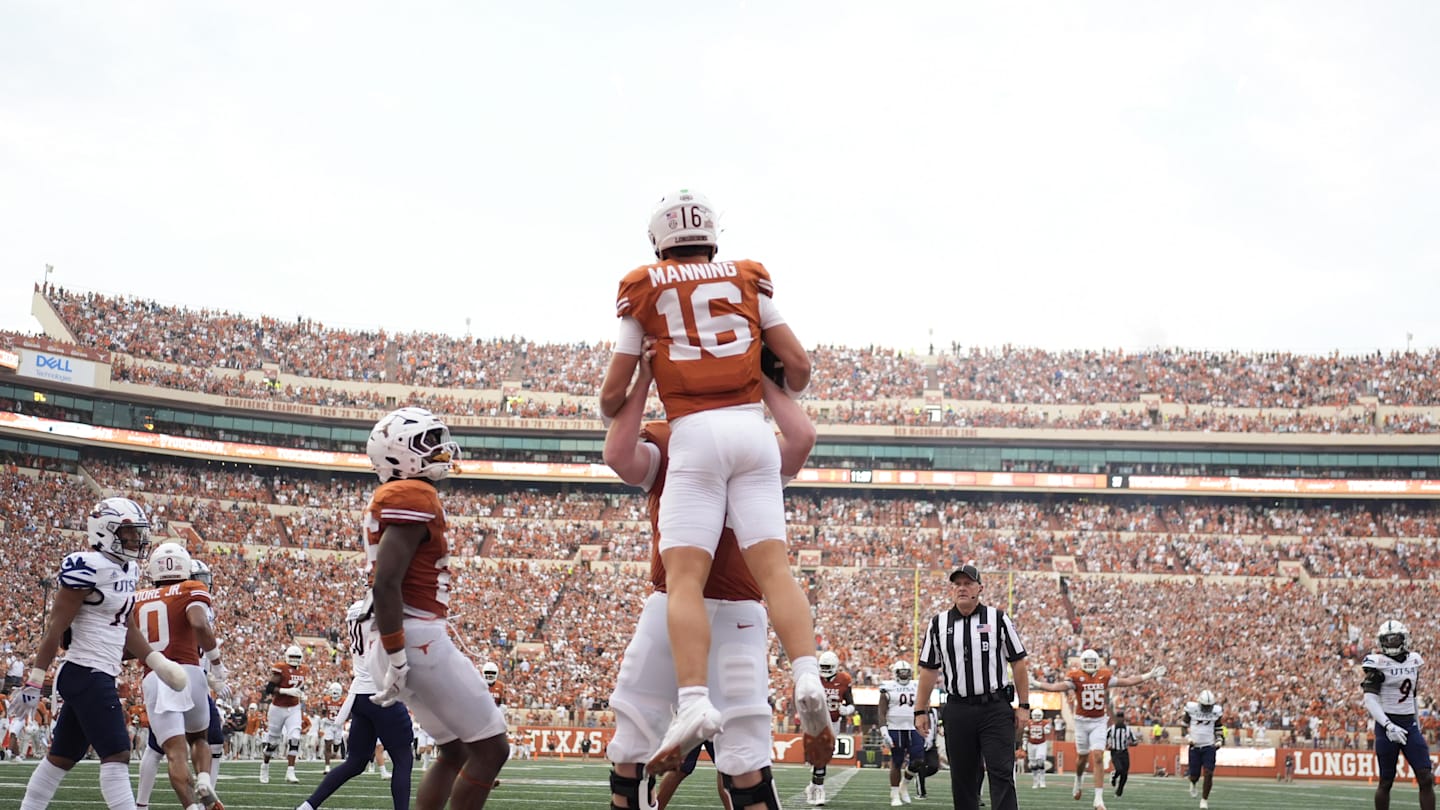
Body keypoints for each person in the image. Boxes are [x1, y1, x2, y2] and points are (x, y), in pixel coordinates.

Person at [598, 189, 827, 772]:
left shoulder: (644, 287)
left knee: (683, 577)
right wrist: (759, 372)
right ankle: (808, 673)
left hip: (692, 433)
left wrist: (651, 369)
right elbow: (798, 372)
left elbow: (608, 402)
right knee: (775, 568)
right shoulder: (748, 278)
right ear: (712, 236)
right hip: (752, 429)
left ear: (658, 241)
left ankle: (694, 700)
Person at [603, 338, 817, 810]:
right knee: (746, 760)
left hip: (676, 605)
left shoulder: (673, 437)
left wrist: (645, 378)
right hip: (740, 611)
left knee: (632, 743)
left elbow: (618, 454)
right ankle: (806, 673)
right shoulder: (756, 445)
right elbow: (801, 438)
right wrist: (761, 382)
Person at [364, 405, 509, 809]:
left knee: (456, 750)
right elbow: (386, 583)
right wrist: (396, 654)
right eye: (426, 442)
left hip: (403, 638)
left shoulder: (405, 494)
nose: (439, 449)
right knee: (493, 749)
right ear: (397, 452)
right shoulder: (413, 493)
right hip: (416, 638)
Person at [13, 497, 189, 810]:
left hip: (100, 671)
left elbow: (129, 629)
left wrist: (159, 663)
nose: (136, 539)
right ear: (105, 531)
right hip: (85, 670)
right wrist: (35, 679)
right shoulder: (87, 566)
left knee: (61, 757)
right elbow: (55, 626)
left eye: (138, 533)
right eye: (129, 532)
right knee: (118, 751)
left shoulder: (130, 569)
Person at [914, 563, 1030, 810]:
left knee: (1001, 772)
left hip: (995, 707)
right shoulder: (938, 623)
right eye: (957, 584)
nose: (962, 588)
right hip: (958, 708)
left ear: (980, 588)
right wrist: (919, 710)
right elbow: (928, 669)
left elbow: (1018, 662)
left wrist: (1024, 705)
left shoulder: (998, 619)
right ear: (951, 590)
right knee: (963, 778)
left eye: (968, 583)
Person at [131, 542, 229, 810]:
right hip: (191, 671)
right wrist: (217, 665)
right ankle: (205, 779)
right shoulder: (191, 588)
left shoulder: (137, 598)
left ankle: (191, 807)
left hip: (156, 675)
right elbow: (199, 623)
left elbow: (131, 645)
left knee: (174, 753)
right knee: (199, 738)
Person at [296, 598, 415, 810]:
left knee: (356, 762)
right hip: (381, 692)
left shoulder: (354, 609)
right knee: (403, 759)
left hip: (360, 696)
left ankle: (307, 806)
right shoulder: (383, 607)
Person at [1032, 648, 1164, 809]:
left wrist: (1148, 675)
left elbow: (1127, 681)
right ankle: (1078, 780)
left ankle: (1098, 799)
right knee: (1082, 759)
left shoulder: (1104, 675)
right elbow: (1057, 687)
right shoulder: (1076, 676)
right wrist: (1037, 683)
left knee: (1098, 756)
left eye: (1092, 662)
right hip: (1081, 722)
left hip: (1099, 721)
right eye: (1086, 662)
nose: (1089, 665)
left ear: (1097, 663)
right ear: (1082, 663)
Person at [1362, 619, 1433, 810]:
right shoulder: (1377, 662)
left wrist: (1416, 722)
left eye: (1395, 639)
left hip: (1409, 724)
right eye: (1388, 639)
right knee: (1386, 781)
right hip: (1387, 725)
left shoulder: (1414, 660)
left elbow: (1412, 695)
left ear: (1404, 639)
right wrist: (1388, 725)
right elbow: (1370, 700)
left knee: (1426, 776)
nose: (1391, 643)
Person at [807, 650, 854, 806]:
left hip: (834, 722)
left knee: (825, 755)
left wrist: (847, 710)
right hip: (817, 721)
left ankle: (813, 786)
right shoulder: (814, 678)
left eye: (828, 667)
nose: (825, 670)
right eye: (823, 666)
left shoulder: (844, 680)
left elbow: (851, 704)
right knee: (822, 754)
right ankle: (819, 789)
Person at [879, 660, 924, 806]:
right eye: (901, 673)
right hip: (894, 728)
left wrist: (926, 728)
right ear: (896, 674)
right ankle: (894, 795)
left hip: (913, 727)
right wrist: (884, 730)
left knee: (918, 761)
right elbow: (881, 711)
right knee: (897, 762)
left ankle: (904, 786)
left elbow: (924, 706)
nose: (904, 675)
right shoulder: (888, 687)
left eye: (906, 673)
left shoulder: (916, 685)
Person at [260, 644, 308, 784]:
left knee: (295, 737)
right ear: (287, 657)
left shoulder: (303, 669)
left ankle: (290, 772)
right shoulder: (281, 668)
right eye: (292, 657)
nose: (294, 659)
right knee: (273, 742)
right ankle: (265, 766)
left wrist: (301, 694)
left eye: (297, 657)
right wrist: (285, 691)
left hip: (293, 708)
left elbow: (299, 686)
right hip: (278, 708)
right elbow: (268, 689)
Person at [1182, 689, 1226, 809]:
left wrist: (1219, 740)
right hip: (1194, 746)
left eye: (1209, 706)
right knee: (1194, 775)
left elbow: (1218, 727)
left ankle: (1204, 800)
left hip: (1209, 745)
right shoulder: (1192, 708)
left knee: (1209, 773)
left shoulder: (1216, 711)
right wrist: (1188, 738)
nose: (1207, 708)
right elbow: (1184, 726)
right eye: (1205, 706)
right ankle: (1193, 782)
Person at [1106, 712, 1137, 798]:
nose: (1120, 719)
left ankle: (1119, 792)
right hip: (1115, 752)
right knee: (1119, 769)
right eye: (1118, 717)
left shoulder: (1128, 729)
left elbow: (1135, 741)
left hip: (1124, 752)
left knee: (1125, 774)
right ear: (1116, 718)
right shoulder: (1111, 729)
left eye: (1121, 717)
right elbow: (1104, 738)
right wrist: (1107, 745)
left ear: (1123, 718)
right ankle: (1114, 775)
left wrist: (1132, 743)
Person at [1024, 708, 1051, 789]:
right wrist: (1024, 743)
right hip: (1031, 744)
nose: (1037, 717)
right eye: (1035, 715)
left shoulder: (1044, 722)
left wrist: (1046, 728)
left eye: (1038, 715)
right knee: (1033, 764)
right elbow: (1025, 734)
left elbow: (1048, 731)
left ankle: (1042, 781)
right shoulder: (1029, 723)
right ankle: (1035, 781)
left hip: (1041, 744)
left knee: (1040, 761)